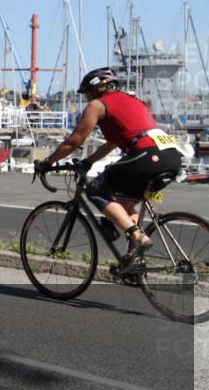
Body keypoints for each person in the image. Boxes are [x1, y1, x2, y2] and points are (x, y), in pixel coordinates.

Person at [35, 67, 183, 272]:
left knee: (95, 189)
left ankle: (137, 235)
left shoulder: (97, 105)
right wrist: (88, 162)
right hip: (171, 156)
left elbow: (74, 141)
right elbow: (113, 142)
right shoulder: (131, 101)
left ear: (96, 89)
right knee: (125, 205)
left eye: (86, 92)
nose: (86, 98)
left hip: (147, 155)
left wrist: (47, 163)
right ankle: (134, 262)